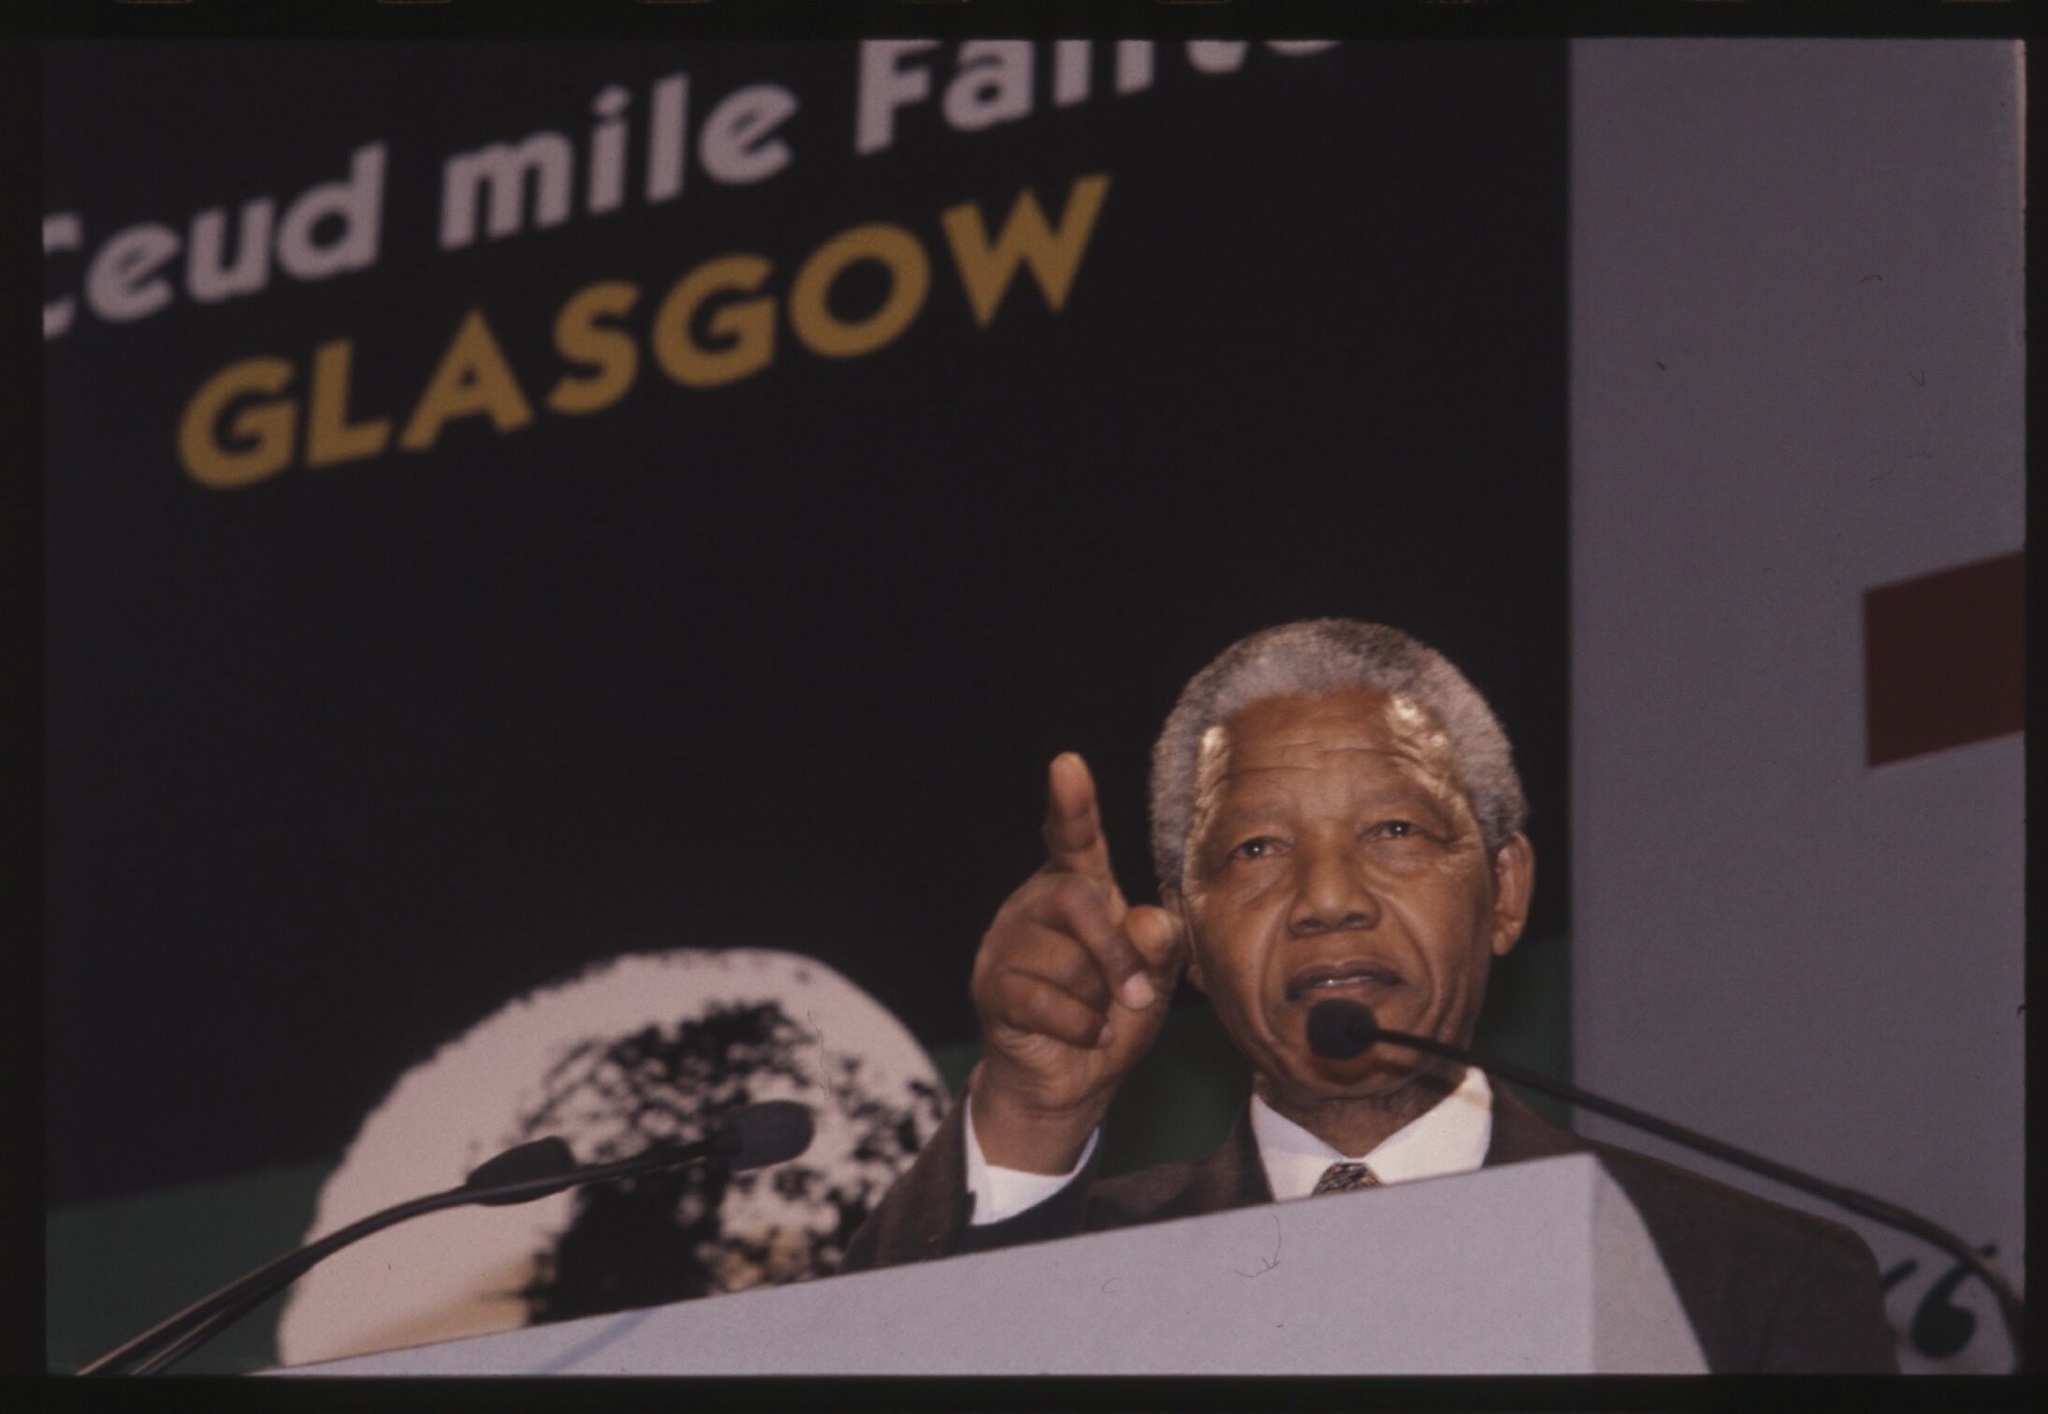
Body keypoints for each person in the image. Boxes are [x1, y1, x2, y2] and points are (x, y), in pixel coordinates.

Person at [839, 619, 1898, 1374]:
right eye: (1255, 848)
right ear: (1189, 935)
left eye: (1393, 831)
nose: (1326, 898)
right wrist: (1031, 1110)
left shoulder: (1748, 1278)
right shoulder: (1081, 1271)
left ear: (1504, 889)